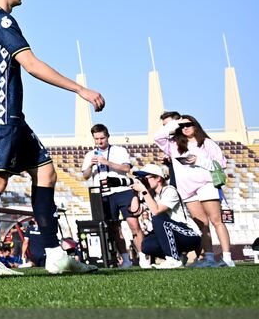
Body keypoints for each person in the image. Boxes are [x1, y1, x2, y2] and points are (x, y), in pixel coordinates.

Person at [0, 0, 101, 276]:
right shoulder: (1, 20)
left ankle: (55, 254)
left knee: (45, 171)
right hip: (1, 116)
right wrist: (80, 89)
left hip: (6, 116)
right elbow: (32, 64)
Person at [154, 114, 233, 267]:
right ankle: (208, 257)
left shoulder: (207, 143)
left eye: (188, 124)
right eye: (182, 126)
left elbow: (221, 165)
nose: (185, 128)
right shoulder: (173, 144)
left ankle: (228, 258)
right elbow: (158, 136)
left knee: (216, 221)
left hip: (206, 184)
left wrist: (199, 161)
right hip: (187, 190)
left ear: (195, 124)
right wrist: (175, 123)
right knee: (202, 224)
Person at [80, 124, 143, 267]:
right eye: (97, 139)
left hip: (122, 190)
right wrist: (90, 166)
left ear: (108, 136)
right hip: (103, 193)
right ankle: (126, 259)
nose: (100, 141)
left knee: (134, 224)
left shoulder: (119, 150)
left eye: (102, 138)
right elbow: (85, 176)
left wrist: (107, 162)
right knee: (114, 228)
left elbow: (126, 168)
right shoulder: (90, 155)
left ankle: (144, 257)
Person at [131, 163, 203, 268]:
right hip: (173, 234)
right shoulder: (152, 196)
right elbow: (135, 211)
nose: (143, 181)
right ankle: (178, 256)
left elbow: (156, 210)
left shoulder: (170, 190)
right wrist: (134, 193)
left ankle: (172, 259)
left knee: (158, 219)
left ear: (158, 179)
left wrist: (144, 191)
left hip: (189, 235)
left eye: (146, 178)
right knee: (147, 245)